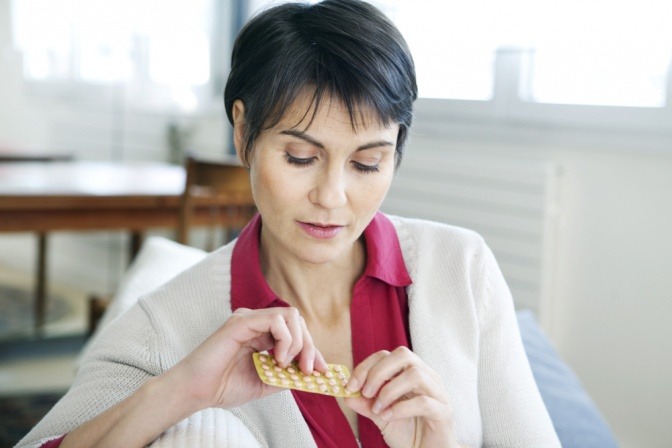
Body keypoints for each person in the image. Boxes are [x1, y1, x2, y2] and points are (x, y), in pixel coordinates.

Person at [18, 1, 560, 447]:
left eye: (367, 163)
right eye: (301, 157)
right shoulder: (168, 325)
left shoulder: (462, 269)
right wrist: (181, 390)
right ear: (242, 132)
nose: (332, 196)